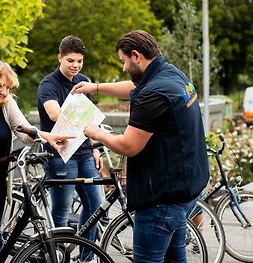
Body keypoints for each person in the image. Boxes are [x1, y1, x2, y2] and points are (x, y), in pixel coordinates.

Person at [73, 29, 209, 262]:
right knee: (175, 259)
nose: (123, 67)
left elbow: (128, 145)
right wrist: (95, 88)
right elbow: (135, 87)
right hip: (185, 191)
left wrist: (94, 132)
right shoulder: (171, 74)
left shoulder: (154, 94)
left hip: (161, 201)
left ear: (136, 56)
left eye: (123, 61)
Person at [0, 59, 73, 263]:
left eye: (7, 87)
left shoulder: (6, 105)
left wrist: (47, 137)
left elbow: (24, 131)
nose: (4, 92)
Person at [36, 35, 103, 261]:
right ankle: (59, 257)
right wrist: (82, 113)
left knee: (95, 205)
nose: (75, 66)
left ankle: (86, 257)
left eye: (80, 61)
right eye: (71, 61)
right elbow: (54, 114)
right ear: (60, 58)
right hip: (60, 156)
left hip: (84, 153)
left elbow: (90, 121)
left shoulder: (83, 80)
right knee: (62, 211)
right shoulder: (49, 84)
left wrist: (95, 149)